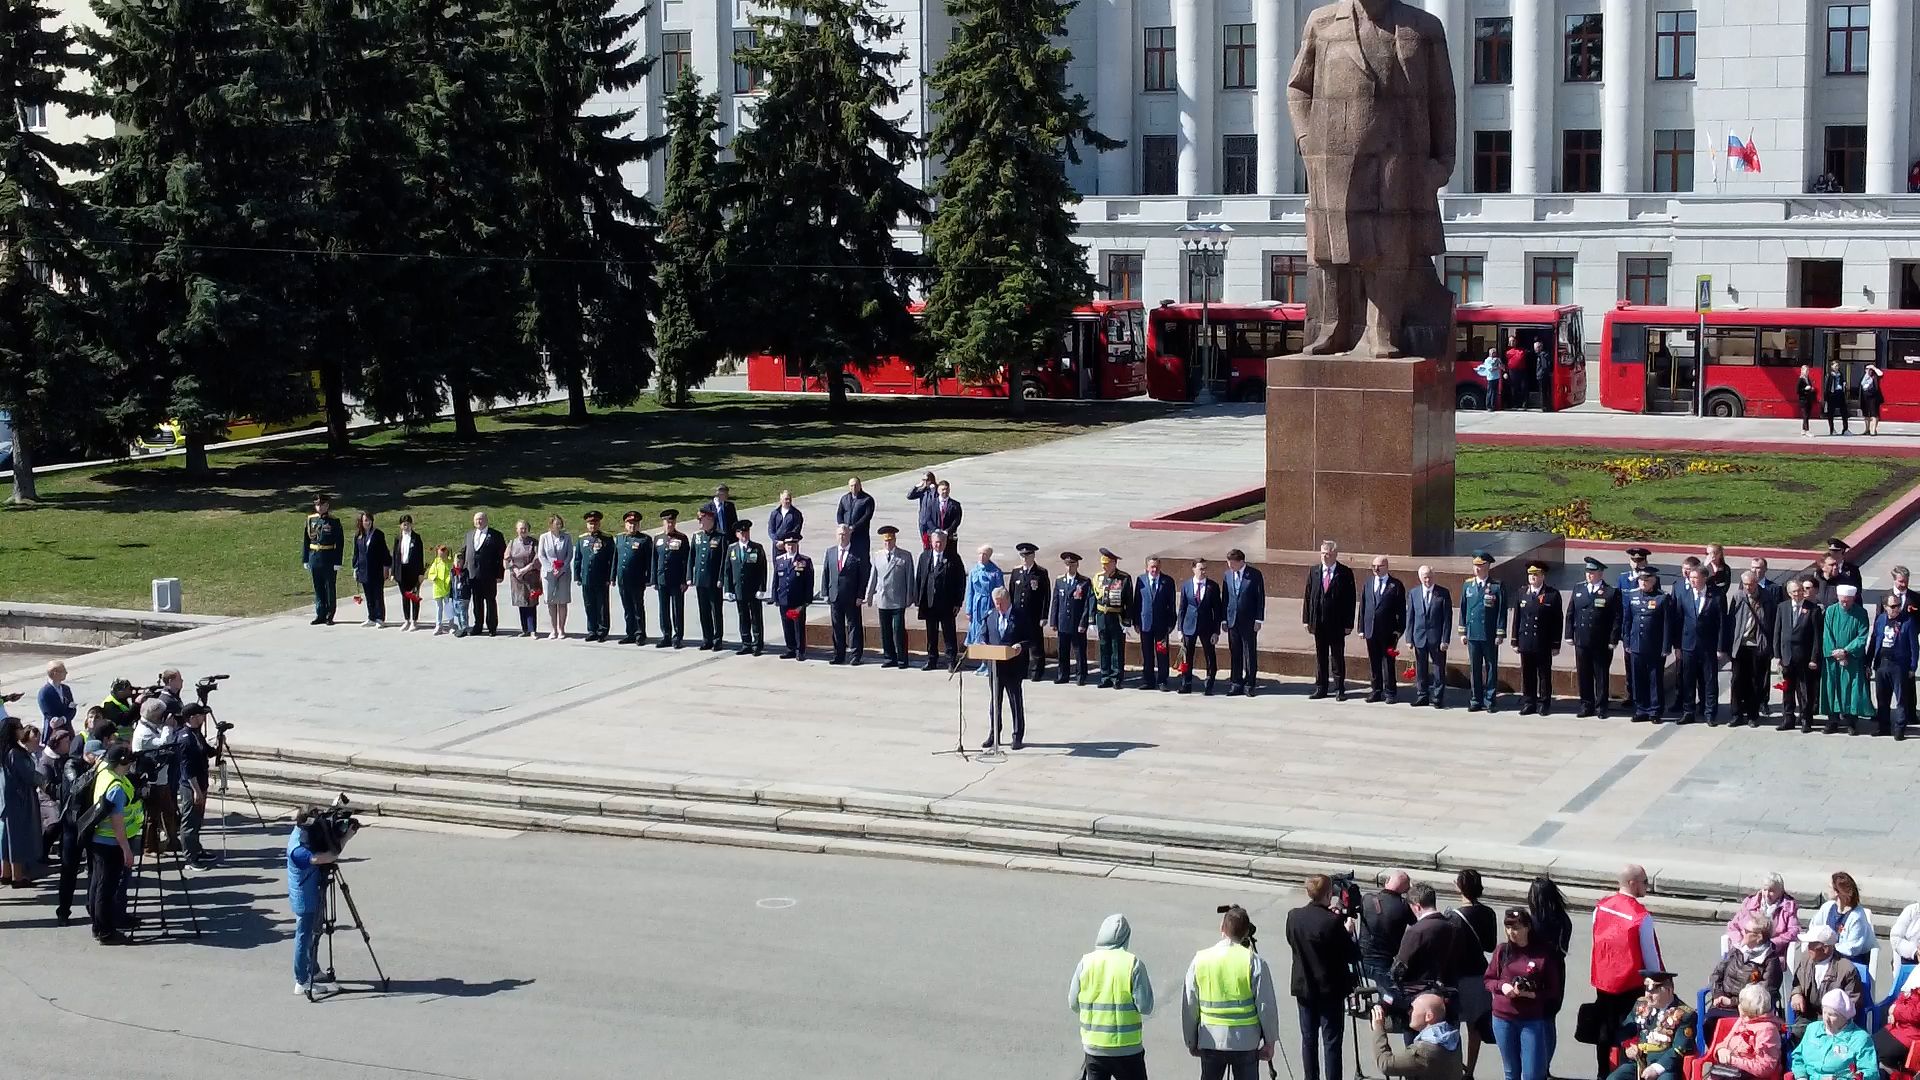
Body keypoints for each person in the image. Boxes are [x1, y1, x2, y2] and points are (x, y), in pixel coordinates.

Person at [1182, 904, 1281, 1080]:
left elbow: (1190, 1003)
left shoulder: (1201, 959)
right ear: (1245, 934)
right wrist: (1270, 1042)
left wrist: (1191, 1039)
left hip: (1211, 1039)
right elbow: (1266, 1005)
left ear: (1222, 928)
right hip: (1245, 1041)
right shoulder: (1254, 961)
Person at [1590, 865, 1665, 1079]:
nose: (1647, 886)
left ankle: (1602, 1073)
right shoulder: (1640, 917)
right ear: (1632, 883)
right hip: (1631, 985)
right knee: (1629, 1034)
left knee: (1604, 1032)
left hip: (1603, 982)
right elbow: (1651, 957)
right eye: (1644, 881)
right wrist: (1659, 981)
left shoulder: (1601, 907)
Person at [1288, 874, 1362, 1080]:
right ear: (1329, 894)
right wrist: (1348, 932)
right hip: (1329, 990)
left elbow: (1293, 942)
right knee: (1331, 1041)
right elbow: (1352, 955)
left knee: (1308, 1039)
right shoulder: (1332, 922)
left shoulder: (1294, 916)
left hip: (1304, 987)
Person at [1070, 913, 1156, 1080]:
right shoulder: (1133, 963)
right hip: (1127, 1049)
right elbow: (1145, 1007)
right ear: (1126, 938)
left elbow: (1073, 1003)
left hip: (1094, 1048)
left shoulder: (1085, 962)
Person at [1485, 908, 1563, 1080]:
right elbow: (1488, 980)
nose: (1512, 932)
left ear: (1528, 927)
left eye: (1517, 928)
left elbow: (1553, 990)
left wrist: (1532, 995)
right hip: (1503, 1019)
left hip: (1531, 1020)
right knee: (1511, 1071)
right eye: (1508, 927)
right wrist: (1502, 986)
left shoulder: (1542, 954)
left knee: (1532, 1074)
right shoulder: (1502, 951)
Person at [87, 746, 141, 944]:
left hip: (98, 839)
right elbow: (117, 822)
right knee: (106, 890)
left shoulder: (104, 772)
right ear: (121, 763)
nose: (130, 766)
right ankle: (105, 931)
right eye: (128, 762)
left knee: (97, 885)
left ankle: (98, 926)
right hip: (110, 842)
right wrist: (126, 849)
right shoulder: (116, 787)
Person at [1602, 971, 1697, 1080]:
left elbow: (1680, 1048)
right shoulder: (1641, 1005)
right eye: (1647, 989)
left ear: (1668, 990)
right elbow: (1624, 1030)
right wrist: (1627, 1045)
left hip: (1665, 1067)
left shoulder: (1684, 1014)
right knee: (1614, 1078)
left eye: (1653, 991)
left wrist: (1656, 1069)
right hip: (1638, 1063)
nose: (1648, 995)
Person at [288, 809, 339, 994]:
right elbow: (327, 857)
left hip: (311, 893)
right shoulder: (298, 850)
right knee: (304, 936)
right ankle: (301, 981)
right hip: (305, 898)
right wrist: (344, 839)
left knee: (313, 934)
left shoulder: (299, 835)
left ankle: (313, 969)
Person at [1452, 871, 1498, 1077]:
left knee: (1452, 1026)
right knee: (1475, 1027)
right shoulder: (1489, 913)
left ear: (1459, 887)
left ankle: (1454, 1067)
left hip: (1458, 976)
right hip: (1480, 974)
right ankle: (1470, 1071)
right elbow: (1490, 946)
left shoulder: (1453, 916)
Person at [1566, 558, 1622, 718]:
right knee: (1584, 674)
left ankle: (1601, 706)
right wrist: (1569, 634)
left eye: (1593, 572)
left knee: (1601, 675)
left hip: (1601, 641)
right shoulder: (1579, 589)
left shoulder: (1610, 592)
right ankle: (1586, 704)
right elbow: (1571, 613)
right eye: (1588, 572)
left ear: (1600, 573)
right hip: (1582, 640)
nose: (1589, 575)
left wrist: (1613, 639)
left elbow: (1616, 618)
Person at [1705, 915, 1784, 1024]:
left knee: (1728, 1028)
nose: (1742, 933)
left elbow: (1763, 994)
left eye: (1747, 931)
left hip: (1749, 1010)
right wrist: (1718, 995)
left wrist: (1732, 1002)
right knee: (1708, 1023)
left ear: (1759, 937)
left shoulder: (1771, 961)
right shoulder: (1737, 951)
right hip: (1723, 1001)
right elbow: (1716, 974)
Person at [1788, 925, 1864, 1038]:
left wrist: (1830, 1016)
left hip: (1834, 1022)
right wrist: (1796, 994)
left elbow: (1852, 1002)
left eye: (1812, 945)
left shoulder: (1846, 969)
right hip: (1808, 1016)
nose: (1808, 948)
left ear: (1825, 948)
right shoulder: (1805, 959)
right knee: (1794, 1035)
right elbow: (1797, 982)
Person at [1305, 541, 1358, 701]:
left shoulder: (1345, 573)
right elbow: (1308, 596)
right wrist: (1307, 620)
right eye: (1322, 553)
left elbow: (1350, 599)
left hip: (1337, 623)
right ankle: (1321, 687)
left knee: (1337, 657)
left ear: (1335, 555)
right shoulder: (1314, 571)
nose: (1325, 557)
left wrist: (1349, 623)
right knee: (1320, 657)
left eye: (1328, 554)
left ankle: (1339, 688)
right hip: (1319, 622)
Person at [1624, 569, 1676, 723]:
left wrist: (1666, 646)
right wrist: (1627, 641)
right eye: (1641, 580)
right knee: (1638, 678)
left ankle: (1655, 710)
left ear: (1653, 581)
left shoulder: (1662, 598)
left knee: (1654, 679)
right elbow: (1627, 621)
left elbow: (1667, 624)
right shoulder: (1632, 595)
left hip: (1654, 646)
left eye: (1646, 580)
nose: (1643, 583)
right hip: (1636, 645)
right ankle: (1641, 708)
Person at [1511, 563, 1563, 716]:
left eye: (1536, 574)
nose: (1533, 577)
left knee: (1544, 674)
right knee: (1527, 673)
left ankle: (1544, 703)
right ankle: (1529, 702)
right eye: (1530, 574)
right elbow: (1517, 618)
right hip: (1526, 640)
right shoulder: (1522, 593)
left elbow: (1557, 621)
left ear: (1543, 576)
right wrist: (1515, 640)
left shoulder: (1552, 595)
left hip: (1543, 641)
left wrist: (1556, 644)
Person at [1370, 993, 1462, 1080]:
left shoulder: (1424, 1052)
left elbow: (1385, 1064)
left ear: (1428, 1016)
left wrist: (1378, 1027)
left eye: (1413, 1009)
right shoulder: (1451, 1036)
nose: (1409, 1012)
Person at [979, 588, 1028, 750]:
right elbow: (983, 636)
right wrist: (983, 645)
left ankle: (1017, 735)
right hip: (995, 668)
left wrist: (1020, 646)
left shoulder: (1020, 616)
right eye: (996, 603)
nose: (998, 607)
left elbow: (1030, 638)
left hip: (1013, 667)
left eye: (1001, 603)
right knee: (995, 702)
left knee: (1015, 701)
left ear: (1008, 601)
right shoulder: (990, 616)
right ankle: (994, 734)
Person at [1790, 990, 1876, 1080]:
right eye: (1824, 1012)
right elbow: (1798, 1056)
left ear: (1845, 1017)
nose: (1826, 1019)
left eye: (1832, 1015)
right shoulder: (1812, 1029)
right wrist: (1801, 1076)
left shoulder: (1860, 1038)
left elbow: (1870, 1073)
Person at [1774, 578, 1824, 732]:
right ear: (1789, 593)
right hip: (1787, 657)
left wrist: (1814, 658)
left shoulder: (1813, 609)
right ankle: (1788, 718)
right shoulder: (1782, 607)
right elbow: (1778, 631)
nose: (1798, 593)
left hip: (1804, 658)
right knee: (1786, 689)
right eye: (1794, 591)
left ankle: (1806, 720)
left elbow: (1817, 637)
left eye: (1800, 590)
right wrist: (1777, 655)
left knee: (1805, 691)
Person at [1819, 585, 1870, 735]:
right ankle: (1832, 720)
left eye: (1847, 601)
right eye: (1842, 601)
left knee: (1851, 689)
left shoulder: (1861, 613)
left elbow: (1862, 636)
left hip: (1851, 659)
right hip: (1833, 658)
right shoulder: (1831, 611)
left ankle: (1851, 721)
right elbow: (1827, 633)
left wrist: (1846, 651)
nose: (1844, 604)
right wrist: (1836, 653)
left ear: (1853, 599)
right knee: (1832, 687)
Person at [1460, 552, 1506, 713]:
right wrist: (1462, 631)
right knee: (1475, 667)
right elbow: (1463, 609)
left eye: (1480, 566)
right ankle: (1475, 699)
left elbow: (1501, 611)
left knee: (1491, 667)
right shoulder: (1468, 585)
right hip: (1473, 633)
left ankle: (1490, 699)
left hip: (1489, 634)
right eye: (1475, 565)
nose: (1477, 569)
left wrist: (1500, 633)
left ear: (1488, 566)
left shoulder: (1496, 586)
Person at [1868, 591, 1917, 739]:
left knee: (1901, 698)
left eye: (1898, 606)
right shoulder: (1881, 619)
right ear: (1885, 607)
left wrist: (1912, 667)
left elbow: (1914, 646)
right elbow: (1874, 641)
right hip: (1882, 663)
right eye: (1893, 606)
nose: (1896, 609)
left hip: (1899, 665)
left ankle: (1900, 728)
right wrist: (1868, 662)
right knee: (1882, 698)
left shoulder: (1908, 621)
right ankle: (1883, 726)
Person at [1726, 571, 1773, 727]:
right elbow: (1731, 620)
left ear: (1756, 583)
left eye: (1751, 584)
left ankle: (1753, 715)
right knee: (1737, 680)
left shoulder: (1766, 597)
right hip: (1740, 645)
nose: (1748, 587)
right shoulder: (1738, 596)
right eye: (1745, 584)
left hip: (1757, 645)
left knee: (1755, 681)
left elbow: (1771, 622)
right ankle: (1736, 714)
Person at [1359, 555, 1407, 704]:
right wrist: (1361, 628)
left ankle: (1390, 692)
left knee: (1388, 662)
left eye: (1379, 566)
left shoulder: (1396, 585)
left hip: (1388, 632)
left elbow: (1401, 611)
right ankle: (1376, 690)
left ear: (1386, 567)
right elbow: (1363, 606)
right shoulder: (1368, 583)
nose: (1376, 569)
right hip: (1371, 629)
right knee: (1374, 662)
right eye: (1373, 566)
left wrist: (1399, 630)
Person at [1360, 870, 1417, 993]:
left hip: (1362, 961)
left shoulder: (1367, 899)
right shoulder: (1404, 906)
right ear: (1405, 890)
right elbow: (1417, 924)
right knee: (1387, 1000)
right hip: (1384, 963)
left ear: (1386, 882)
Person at [915, 531, 965, 671]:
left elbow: (960, 581)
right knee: (931, 633)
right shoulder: (924, 557)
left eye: (941, 542)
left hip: (947, 604)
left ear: (945, 542)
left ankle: (951, 660)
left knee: (949, 633)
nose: (938, 545)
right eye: (936, 542)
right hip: (929, 603)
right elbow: (919, 578)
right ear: (931, 542)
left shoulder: (953, 558)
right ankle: (932, 659)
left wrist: (958, 602)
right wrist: (918, 599)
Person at [0, 716, 41, 886]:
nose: (22, 730)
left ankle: (6, 872)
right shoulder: (14, 753)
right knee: (17, 838)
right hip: (18, 799)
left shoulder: (4, 751)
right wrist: (46, 783)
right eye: (19, 727)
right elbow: (29, 775)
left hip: (6, 800)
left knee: (5, 837)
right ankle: (18, 876)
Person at [1712, 985, 1783, 1080]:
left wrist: (1732, 1060)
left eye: (1741, 1003)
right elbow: (1724, 1043)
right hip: (1730, 1073)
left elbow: (1764, 1069)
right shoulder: (1743, 1020)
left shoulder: (1767, 1030)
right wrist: (1720, 1051)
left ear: (1749, 1009)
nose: (1738, 1006)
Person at [822, 524, 869, 666]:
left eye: (844, 534)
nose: (842, 537)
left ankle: (855, 655)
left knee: (853, 626)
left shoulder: (858, 552)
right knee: (837, 626)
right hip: (835, 595)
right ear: (836, 536)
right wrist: (825, 592)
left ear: (849, 535)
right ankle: (839, 654)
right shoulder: (830, 552)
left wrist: (861, 594)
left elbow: (864, 575)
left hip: (852, 596)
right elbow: (826, 573)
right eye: (840, 534)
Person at [867, 525, 914, 668]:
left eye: (890, 540)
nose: (888, 543)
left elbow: (910, 578)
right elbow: (873, 576)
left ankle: (902, 659)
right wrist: (869, 595)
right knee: (885, 631)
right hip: (883, 598)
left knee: (898, 630)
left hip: (898, 598)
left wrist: (910, 596)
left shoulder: (904, 555)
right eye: (886, 541)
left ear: (895, 540)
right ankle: (889, 658)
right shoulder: (877, 555)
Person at [1723, 872, 1801, 955]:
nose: (1767, 894)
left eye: (1771, 891)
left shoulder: (1788, 907)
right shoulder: (1750, 903)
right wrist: (1740, 942)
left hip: (1771, 952)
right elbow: (1732, 926)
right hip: (1745, 948)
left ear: (1781, 892)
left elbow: (1794, 931)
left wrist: (1772, 944)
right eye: (1765, 890)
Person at [1223, 550, 1266, 697]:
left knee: (1249, 652)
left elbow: (1260, 598)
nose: (1230, 566)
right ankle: (1236, 683)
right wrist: (1224, 619)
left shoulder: (1254, 575)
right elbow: (1225, 598)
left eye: (1232, 563)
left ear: (1240, 561)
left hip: (1249, 620)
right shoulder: (1227, 575)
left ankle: (1250, 683)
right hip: (1232, 620)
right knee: (1235, 652)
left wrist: (1259, 619)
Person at [1178, 557, 1224, 695]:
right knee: (1187, 657)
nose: (1203, 571)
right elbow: (1182, 609)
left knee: (1210, 656)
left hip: (1207, 627)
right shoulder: (1186, 586)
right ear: (1194, 569)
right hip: (1189, 626)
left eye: (1205, 569)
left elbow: (1217, 611)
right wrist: (1180, 629)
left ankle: (1209, 683)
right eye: (1201, 569)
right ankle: (1186, 683)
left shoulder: (1213, 586)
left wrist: (1216, 631)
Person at [175, 705, 213, 868]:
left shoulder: (196, 733)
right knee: (190, 821)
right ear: (191, 718)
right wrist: (196, 791)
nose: (203, 718)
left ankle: (197, 849)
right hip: (191, 786)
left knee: (197, 820)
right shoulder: (185, 738)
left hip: (201, 782)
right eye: (200, 715)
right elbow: (187, 769)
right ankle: (190, 858)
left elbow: (206, 751)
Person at [1812, 872, 1877, 966]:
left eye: (1829, 887)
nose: (1827, 890)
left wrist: (1829, 949)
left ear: (1837, 892)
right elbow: (1814, 928)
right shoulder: (1827, 907)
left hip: (1849, 962)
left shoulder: (1856, 916)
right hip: (1826, 956)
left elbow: (1852, 948)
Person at [1132, 556, 1177, 691]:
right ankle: (1148, 680)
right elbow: (1137, 602)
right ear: (1147, 567)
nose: (1154, 569)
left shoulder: (1167, 581)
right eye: (1152, 567)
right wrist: (1136, 621)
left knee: (1162, 653)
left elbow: (1172, 604)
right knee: (1147, 653)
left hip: (1162, 625)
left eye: (1157, 566)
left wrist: (1171, 623)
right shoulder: (1141, 580)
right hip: (1145, 624)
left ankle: (1162, 680)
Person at [1008, 543, 1051, 681]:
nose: (1024, 559)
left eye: (1027, 556)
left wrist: (1044, 615)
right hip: (1019, 615)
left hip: (1034, 615)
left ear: (1033, 556)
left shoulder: (1040, 573)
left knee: (1036, 644)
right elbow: (1012, 592)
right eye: (1022, 556)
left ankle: (1037, 671)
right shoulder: (1016, 572)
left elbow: (1046, 595)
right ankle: (1022, 669)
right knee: (1021, 643)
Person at [725, 520, 769, 656]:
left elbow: (763, 569)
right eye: (741, 532)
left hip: (753, 589)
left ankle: (757, 644)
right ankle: (746, 643)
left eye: (746, 532)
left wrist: (762, 588)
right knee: (743, 617)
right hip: (739, 590)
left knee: (756, 617)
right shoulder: (732, 549)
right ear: (737, 534)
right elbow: (727, 570)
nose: (744, 534)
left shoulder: (757, 548)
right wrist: (728, 590)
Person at [1093, 549, 1135, 689]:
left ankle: (1116, 677)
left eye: (1107, 563)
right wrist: (1091, 619)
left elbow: (1129, 601)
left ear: (1114, 563)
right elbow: (1093, 599)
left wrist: (1127, 621)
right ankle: (1105, 676)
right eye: (1103, 563)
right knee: (1104, 647)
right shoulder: (1098, 577)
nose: (1103, 566)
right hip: (1102, 616)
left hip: (1116, 616)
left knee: (1117, 648)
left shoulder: (1124, 578)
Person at [301, 494, 345, 625]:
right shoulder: (310, 520)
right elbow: (306, 541)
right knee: (318, 587)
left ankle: (329, 615)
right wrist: (305, 559)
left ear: (327, 506)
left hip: (329, 557)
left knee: (329, 587)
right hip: (314, 557)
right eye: (318, 505)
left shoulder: (334, 521)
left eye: (322, 505)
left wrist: (338, 562)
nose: (320, 507)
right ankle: (320, 613)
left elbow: (340, 543)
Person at [461, 511, 506, 637]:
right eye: (476, 519)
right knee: (477, 601)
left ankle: (492, 627)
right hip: (473, 575)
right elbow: (464, 552)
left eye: (481, 519)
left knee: (490, 601)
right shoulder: (469, 535)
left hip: (489, 575)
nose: (478, 522)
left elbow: (501, 555)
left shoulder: (496, 535)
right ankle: (478, 625)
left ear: (486, 520)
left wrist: (500, 574)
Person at [1052, 551, 1094, 686]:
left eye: (1072, 565)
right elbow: (1055, 602)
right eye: (1067, 565)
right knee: (1063, 650)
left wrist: (1084, 622)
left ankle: (1081, 675)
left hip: (1077, 623)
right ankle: (1062, 674)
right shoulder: (1060, 581)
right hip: (1063, 622)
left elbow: (1087, 603)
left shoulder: (1084, 582)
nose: (1069, 567)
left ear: (1077, 565)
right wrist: (1053, 621)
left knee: (1079, 651)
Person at [689, 507, 728, 650]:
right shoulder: (697, 536)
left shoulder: (721, 537)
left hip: (714, 581)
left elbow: (724, 560)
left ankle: (718, 639)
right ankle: (707, 638)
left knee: (716, 611)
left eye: (701, 519)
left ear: (710, 519)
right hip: (700, 580)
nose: (699, 521)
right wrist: (690, 577)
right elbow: (691, 558)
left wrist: (721, 578)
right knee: (703, 611)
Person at [771, 535, 815, 661]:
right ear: (785, 546)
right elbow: (776, 580)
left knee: (798, 626)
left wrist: (808, 598)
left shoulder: (804, 560)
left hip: (798, 600)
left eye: (793, 545)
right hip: (784, 598)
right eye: (788, 545)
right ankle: (790, 648)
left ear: (797, 546)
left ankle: (800, 650)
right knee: (787, 625)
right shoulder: (780, 560)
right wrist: (775, 597)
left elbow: (809, 581)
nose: (791, 547)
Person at [963, 544, 1006, 674]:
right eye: (980, 554)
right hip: (977, 607)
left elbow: (1000, 591)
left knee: (989, 635)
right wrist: (968, 609)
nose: (982, 557)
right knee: (978, 635)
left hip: (989, 605)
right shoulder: (974, 570)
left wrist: (998, 608)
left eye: (985, 555)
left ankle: (990, 664)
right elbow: (970, 591)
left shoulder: (995, 571)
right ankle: (983, 662)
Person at [575, 510, 616, 643]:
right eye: (590, 523)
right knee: (589, 604)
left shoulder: (607, 538)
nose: (593, 526)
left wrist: (610, 577)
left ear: (599, 523)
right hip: (587, 578)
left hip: (601, 578)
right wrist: (577, 576)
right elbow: (578, 559)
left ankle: (602, 631)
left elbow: (612, 559)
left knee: (602, 605)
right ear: (587, 524)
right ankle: (592, 630)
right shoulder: (582, 539)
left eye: (595, 523)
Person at [614, 511, 654, 645]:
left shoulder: (644, 539)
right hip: (623, 579)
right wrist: (613, 576)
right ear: (625, 524)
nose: (632, 526)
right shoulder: (619, 538)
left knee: (637, 607)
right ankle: (630, 633)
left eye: (635, 524)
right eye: (630, 524)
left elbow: (649, 560)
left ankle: (640, 633)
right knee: (627, 607)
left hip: (637, 579)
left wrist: (649, 577)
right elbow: (616, 559)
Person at [653, 509, 690, 648]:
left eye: (672, 522)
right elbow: (654, 560)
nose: (670, 524)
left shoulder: (682, 538)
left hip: (676, 580)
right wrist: (654, 579)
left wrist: (684, 580)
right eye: (667, 522)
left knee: (677, 609)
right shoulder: (658, 538)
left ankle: (678, 636)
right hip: (662, 579)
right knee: (663, 609)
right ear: (663, 523)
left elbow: (686, 561)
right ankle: (666, 635)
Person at [1873, 966, 1920, 1074]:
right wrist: (1893, 1007)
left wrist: (1896, 1011)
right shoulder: (1918, 970)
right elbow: (1902, 996)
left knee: (1884, 1055)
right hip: (1897, 1027)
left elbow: (1917, 1015)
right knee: (1869, 1045)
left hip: (1913, 1033)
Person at [350, 511, 390, 628]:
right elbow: (356, 553)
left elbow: (384, 552)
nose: (367, 522)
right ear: (361, 522)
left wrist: (386, 567)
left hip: (376, 569)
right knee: (368, 594)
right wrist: (355, 568)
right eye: (365, 520)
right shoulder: (358, 536)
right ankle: (371, 617)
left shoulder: (378, 534)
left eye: (369, 520)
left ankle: (380, 617)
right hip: (363, 569)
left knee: (378, 594)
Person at [537, 514, 574, 641]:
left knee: (562, 601)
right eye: (555, 523)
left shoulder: (567, 537)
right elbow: (541, 555)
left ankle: (561, 629)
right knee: (551, 601)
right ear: (551, 524)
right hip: (549, 573)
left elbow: (569, 555)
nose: (558, 525)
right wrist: (550, 568)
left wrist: (562, 569)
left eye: (559, 523)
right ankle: (553, 629)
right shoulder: (544, 537)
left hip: (563, 573)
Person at [505, 519, 540, 637]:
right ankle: (525, 629)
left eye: (525, 528)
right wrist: (515, 570)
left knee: (531, 603)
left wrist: (525, 569)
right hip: (517, 579)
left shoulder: (534, 543)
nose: (523, 530)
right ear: (516, 530)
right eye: (520, 528)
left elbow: (537, 558)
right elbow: (507, 559)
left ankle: (533, 629)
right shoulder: (512, 543)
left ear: (528, 530)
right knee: (521, 603)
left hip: (531, 577)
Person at [390, 515, 425, 631]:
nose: (406, 526)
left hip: (413, 571)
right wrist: (393, 571)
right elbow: (395, 556)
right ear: (400, 525)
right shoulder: (398, 538)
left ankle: (414, 621)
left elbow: (420, 556)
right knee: (405, 596)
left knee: (414, 596)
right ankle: (406, 620)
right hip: (401, 571)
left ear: (411, 525)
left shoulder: (416, 538)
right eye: (404, 524)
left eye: (408, 524)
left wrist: (421, 573)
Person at [835, 476, 875, 559]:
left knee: (861, 557)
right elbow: (839, 513)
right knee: (846, 557)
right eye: (851, 486)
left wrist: (854, 527)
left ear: (860, 486)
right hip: (846, 535)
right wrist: (842, 526)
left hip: (861, 535)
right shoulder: (844, 498)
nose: (853, 488)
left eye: (855, 485)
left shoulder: (867, 499)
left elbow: (867, 516)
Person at [37, 661, 76, 745]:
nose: (66, 673)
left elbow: (72, 708)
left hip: (68, 731)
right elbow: (48, 714)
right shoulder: (44, 692)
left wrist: (64, 719)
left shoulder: (66, 689)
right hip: (53, 733)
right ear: (55, 673)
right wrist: (57, 721)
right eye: (63, 671)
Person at [426, 545, 454, 635]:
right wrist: (433, 577)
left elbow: (453, 573)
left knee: (448, 607)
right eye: (439, 555)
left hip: (447, 588)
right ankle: (438, 625)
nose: (441, 557)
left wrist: (451, 580)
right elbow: (431, 573)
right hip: (438, 588)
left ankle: (451, 624)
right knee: (439, 607)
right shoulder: (436, 562)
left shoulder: (450, 563)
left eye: (443, 555)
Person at [907, 472, 940, 550]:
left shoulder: (937, 490)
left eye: (927, 480)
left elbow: (936, 500)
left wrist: (933, 490)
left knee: (934, 543)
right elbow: (909, 496)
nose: (925, 482)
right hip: (923, 522)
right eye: (923, 480)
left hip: (932, 522)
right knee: (925, 543)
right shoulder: (923, 491)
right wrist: (917, 486)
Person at [1823, 361, 1851, 436]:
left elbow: (1843, 382)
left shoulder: (1840, 374)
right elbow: (1826, 386)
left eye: (1837, 366)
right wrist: (1826, 398)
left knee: (1844, 412)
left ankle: (1845, 429)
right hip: (1832, 395)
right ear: (1831, 366)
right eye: (1835, 366)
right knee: (1831, 413)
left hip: (1840, 393)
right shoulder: (1829, 375)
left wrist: (1844, 385)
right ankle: (1832, 429)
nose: (1836, 367)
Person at [449, 550, 471, 636]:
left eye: (460, 562)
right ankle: (460, 626)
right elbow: (451, 584)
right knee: (457, 613)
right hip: (455, 597)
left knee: (463, 613)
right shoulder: (453, 572)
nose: (458, 564)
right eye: (456, 562)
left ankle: (464, 628)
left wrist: (461, 578)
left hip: (463, 596)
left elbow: (467, 583)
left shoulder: (465, 572)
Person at [1859, 362, 1884, 436]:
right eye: (1867, 369)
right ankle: (1867, 429)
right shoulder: (1863, 376)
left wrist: (1874, 368)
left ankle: (1873, 430)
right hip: (1864, 397)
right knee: (1866, 415)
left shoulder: (1875, 376)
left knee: (1874, 414)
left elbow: (1881, 374)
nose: (1868, 371)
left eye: (1870, 369)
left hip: (1874, 398)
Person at [1796, 365, 1819, 436]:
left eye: (1808, 371)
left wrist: (1811, 389)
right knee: (1805, 415)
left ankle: (1803, 429)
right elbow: (1797, 390)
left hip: (1809, 399)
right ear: (1802, 371)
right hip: (1803, 400)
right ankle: (1807, 430)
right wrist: (1805, 389)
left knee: (1807, 415)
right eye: (1805, 371)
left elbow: (1809, 387)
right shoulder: (1800, 379)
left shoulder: (1807, 379)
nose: (1807, 372)